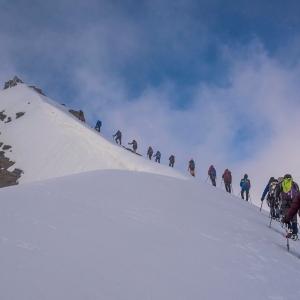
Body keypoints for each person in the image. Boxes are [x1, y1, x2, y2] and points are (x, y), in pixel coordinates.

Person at [276, 174, 299, 241]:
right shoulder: (295, 184)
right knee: (294, 217)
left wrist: (277, 200)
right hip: (294, 202)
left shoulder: (281, 183)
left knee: (286, 216)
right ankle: (295, 234)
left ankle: (289, 229)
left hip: (284, 202)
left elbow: (276, 194)